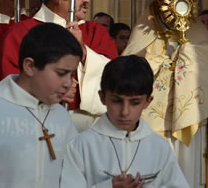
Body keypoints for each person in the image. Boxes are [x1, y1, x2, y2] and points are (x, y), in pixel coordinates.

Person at [122, 0, 208, 188]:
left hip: (191, 122)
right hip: (153, 123)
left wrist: (187, 58)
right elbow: (129, 69)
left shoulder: (197, 31)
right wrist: (159, 62)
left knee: (188, 173)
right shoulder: (144, 29)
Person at [0, 0, 118, 132]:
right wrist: (50, 92)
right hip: (35, 122)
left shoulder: (95, 32)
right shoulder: (21, 32)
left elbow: (115, 76)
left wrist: (84, 52)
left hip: (91, 126)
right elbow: (8, 82)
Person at [0, 23, 80, 187]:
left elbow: (75, 176)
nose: (68, 83)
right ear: (30, 66)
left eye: (72, 74)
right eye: (61, 73)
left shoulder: (62, 117)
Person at [60, 55, 188, 188]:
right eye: (117, 101)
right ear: (102, 97)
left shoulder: (159, 147)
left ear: (147, 102)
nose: (125, 112)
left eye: (135, 102)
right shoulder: (81, 146)